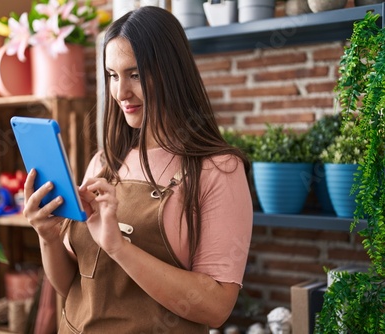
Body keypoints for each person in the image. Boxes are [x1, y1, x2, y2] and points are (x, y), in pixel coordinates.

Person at [23, 6, 253, 333]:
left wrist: (119, 247)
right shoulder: (104, 163)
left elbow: (216, 307)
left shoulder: (218, 170)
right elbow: (73, 285)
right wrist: (46, 235)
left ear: (172, 72)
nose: (121, 92)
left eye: (135, 74)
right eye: (113, 76)